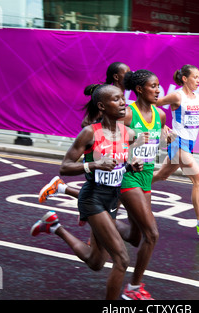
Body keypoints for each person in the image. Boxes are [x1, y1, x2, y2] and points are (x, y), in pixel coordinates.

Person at [30, 84, 143, 300]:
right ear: (102, 106)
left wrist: (132, 165)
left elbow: (120, 165)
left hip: (112, 200)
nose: (123, 103)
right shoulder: (90, 133)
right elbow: (64, 167)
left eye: (123, 99)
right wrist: (93, 165)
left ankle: (54, 226)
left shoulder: (129, 133)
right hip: (92, 199)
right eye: (116, 99)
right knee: (122, 259)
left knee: (95, 262)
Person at [38, 62, 130, 203]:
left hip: (116, 155)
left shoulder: (122, 97)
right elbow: (86, 123)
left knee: (112, 200)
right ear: (117, 77)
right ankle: (76, 203)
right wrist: (100, 138)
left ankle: (62, 195)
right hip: (100, 153)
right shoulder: (107, 95)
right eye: (127, 73)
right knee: (105, 199)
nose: (130, 75)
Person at [152, 64, 199, 236]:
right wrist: (163, 126)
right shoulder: (177, 96)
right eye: (195, 77)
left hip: (190, 143)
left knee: (162, 175)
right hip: (176, 141)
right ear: (185, 78)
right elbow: (152, 105)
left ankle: (128, 187)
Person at [117, 69, 167, 300]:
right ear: (139, 89)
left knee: (135, 237)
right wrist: (133, 144)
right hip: (128, 177)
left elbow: (155, 148)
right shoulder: (127, 114)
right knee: (152, 234)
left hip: (146, 178)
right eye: (153, 86)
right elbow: (106, 145)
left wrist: (166, 140)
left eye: (158, 86)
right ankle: (133, 289)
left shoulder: (161, 116)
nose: (158, 90)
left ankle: (100, 221)